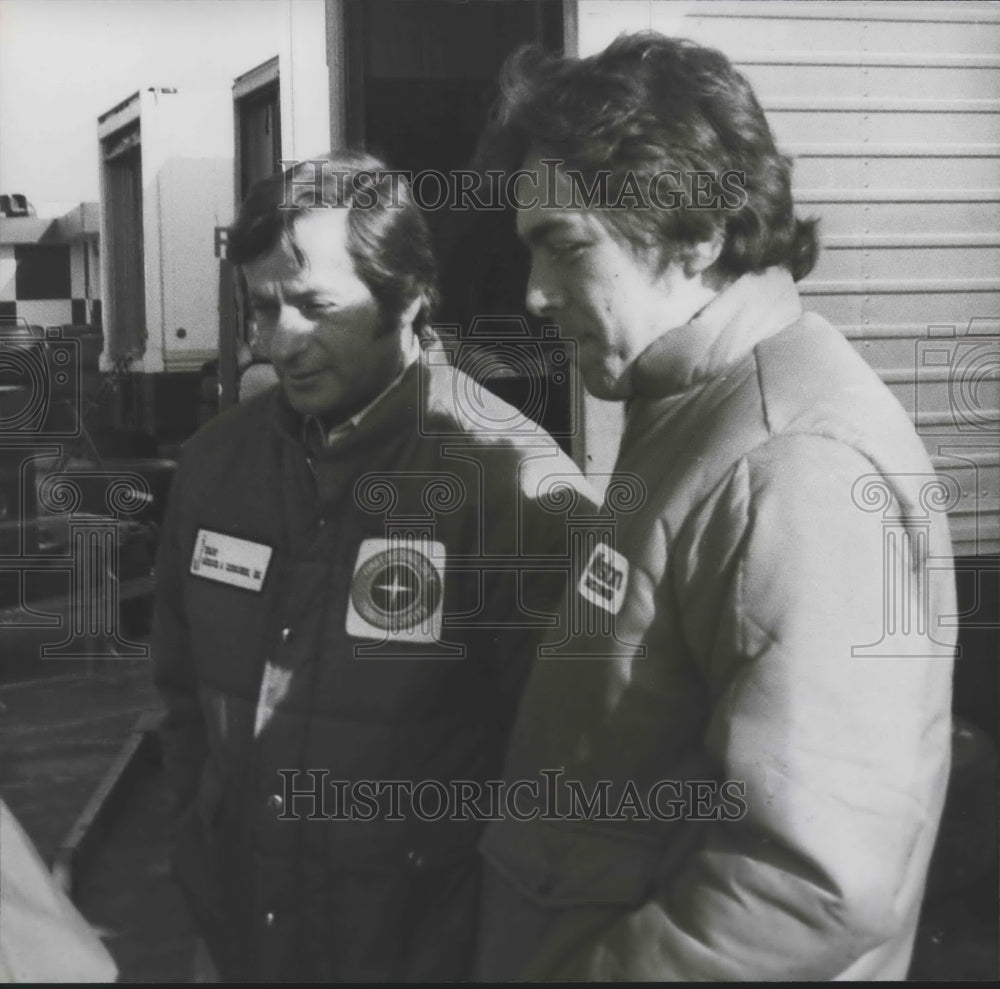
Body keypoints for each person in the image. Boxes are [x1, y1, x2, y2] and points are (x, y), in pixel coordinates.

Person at [473, 33, 957, 981]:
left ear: (696, 232)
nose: (533, 295)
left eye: (564, 246)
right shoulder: (695, 412)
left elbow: (813, 881)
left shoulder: (793, 465)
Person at [151, 150, 594, 981]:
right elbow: (181, 701)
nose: (280, 341)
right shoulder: (213, 469)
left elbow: (564, 771)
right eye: (263, 307)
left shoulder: (516, 488)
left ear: (408, 297)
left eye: (316, 306)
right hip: (239, 942)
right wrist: (199, 853)